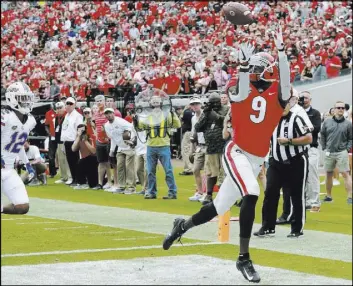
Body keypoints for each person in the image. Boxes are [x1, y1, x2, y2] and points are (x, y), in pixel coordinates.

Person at [162, 25, 291, 283]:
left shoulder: (278, 93)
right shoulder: (240, 85)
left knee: (217, 207)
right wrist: (243, 65)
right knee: (252, 192)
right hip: (237, 152)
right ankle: (244, 258)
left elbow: (285, 82)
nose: (269, 71)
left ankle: (182, 226)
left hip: (256, 158)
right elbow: (242, 90)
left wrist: (282, 52)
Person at [254, 95, 312, 238]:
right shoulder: (270, 121)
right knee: (270, 194)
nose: (283, 107)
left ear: (290, 105)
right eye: (280, 105)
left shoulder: (296, 119)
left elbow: (309, 138)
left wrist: (289, 141)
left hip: (296, 161)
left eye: (286, 104)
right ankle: (267, 227)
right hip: (276, 162)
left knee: (296, 195)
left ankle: (297, 228)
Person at [133, 87, 181, 199]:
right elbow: (140, 128)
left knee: (168, 170)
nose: (155, 102)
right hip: (151, 146)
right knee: (150, 171)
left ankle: (172, 192)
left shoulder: (168, 114)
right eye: (153, 101)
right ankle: (151, 192)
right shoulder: (147, 116)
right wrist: (136, 120)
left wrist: (174, 114)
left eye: (157, 100)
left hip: (163, 145)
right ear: (150, 103)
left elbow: (178, 125)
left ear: (161, 102)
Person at [1, 82, 37, 215]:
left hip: (9, 169)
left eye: (28, 98)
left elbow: (19, 143)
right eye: (23, 98)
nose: (26, 102)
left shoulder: (30, 120)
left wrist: (27, 164)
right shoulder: (5, 116)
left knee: (22, 207)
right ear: (12, 98)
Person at [195, 93, 229, 205]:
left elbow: (224, 121)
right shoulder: (206, 112)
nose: (214, 104)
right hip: (211, 146)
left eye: (216, 101)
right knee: (211, 173)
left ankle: (225, 196)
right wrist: (206, 113)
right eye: (212, 102)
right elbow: (198, 127)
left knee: (225, 173)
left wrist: (213, 113)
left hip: (224, 146)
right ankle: (209, 195)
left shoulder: (227, 109)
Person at [320, 101, 352, 204]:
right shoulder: (327, 122)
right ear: (334, 110)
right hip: (329, 151)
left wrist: (346, 149)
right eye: (338, 108)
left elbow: (351, 138)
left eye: (342, 108)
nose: (341, 109)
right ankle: (328, 196)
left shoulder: (348, 124)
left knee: (346, 174)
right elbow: (323, 135)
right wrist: (324, 148)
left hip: (342, 152)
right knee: (328, 174)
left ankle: (350, 197)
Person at [104, 108, 136, 194]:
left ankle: (131, 187)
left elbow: (132, 128)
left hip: (129, 147)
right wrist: (111, 151)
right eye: (107, 114)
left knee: (129, 168)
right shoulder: (107, 126)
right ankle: (121, 186)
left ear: (113, 113)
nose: (109, 115)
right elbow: (113, 138)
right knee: (120, 167)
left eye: (110, 113)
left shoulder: (120, 121)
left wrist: (131, 140)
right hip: (120, 148)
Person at [60, 97, 83, 186]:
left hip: (74, 141)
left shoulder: (77, 116)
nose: (68, 106)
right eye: (67, 104)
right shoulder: (67, 115)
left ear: (74, 105)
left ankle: (78, 179)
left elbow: (79, 130)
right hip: (66, 141)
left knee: (75, 161)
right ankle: (74, 178)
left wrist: (77, 142)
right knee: (70, 161)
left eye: (70, 104)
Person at [188, 96, 207, 202]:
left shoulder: (206, 115)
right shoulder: (193, 118)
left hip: (208, 145)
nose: (195, 106)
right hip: (199, 145)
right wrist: (192, 149)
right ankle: (200, 192)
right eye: (193, 104)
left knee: (207, 171)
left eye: (196, 104)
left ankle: (205, 193)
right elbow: (193, 134)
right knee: (195, 169)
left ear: (200, 104)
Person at [71, 124, 98, 189]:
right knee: (80, 162)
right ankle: (81, 183)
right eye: (80, 130)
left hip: (93, 158)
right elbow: (73, 149)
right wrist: (78, 137)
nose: (82, 132)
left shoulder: (91, 137)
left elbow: (94, 151)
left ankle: (89, 182)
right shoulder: (78, 138)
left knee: (93, 183)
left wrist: (85, 140)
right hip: (84, 159)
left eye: (83, 130)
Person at [53, 101, 72, 184]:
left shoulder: (67, 117)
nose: (59, 110)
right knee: (61, 160)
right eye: (57, 108)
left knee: (67, 159)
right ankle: (63, 177)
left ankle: (69, 177)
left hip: (65, 140)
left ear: (64, 108)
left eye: (60, 108)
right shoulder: (57, 118)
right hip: (59, 141)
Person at [179, 103, 194, 176]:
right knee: (190, 150)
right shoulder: (194, 111)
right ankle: (191, 167)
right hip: (193, 132)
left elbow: (181, 119)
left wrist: (185, 109)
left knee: (185, 151)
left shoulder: (187, 112)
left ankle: (188, 169)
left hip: (188, 132)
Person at [44, 103, 58, 178]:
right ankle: (52, 172)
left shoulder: (63, 112)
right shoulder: (48, 113)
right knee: (51, 155)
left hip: (61, 136)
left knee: (62, 155)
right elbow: (46, 124)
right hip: (52, 136)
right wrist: (48, 132)